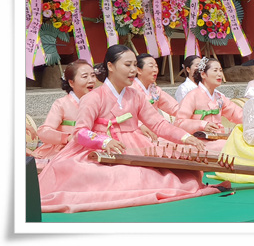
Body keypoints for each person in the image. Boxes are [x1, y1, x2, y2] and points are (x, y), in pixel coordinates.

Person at [38, 44, 223, 213]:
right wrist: (105, 141)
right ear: (110, 66)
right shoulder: (94, 97)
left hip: (134, 146)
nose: (133, 70)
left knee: (168, 175)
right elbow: (80, 132)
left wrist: (184, 137)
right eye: (128, 65)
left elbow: (157, 124)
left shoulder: (136, 96)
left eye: (135, 65)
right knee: (98, 174)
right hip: (99, 149)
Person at [32, 60, 96, 169]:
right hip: (65, 150)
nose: (91, 80)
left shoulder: (98, 102)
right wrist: (67, 138)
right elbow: (44, 131)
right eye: (85, 77)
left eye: (93, 76)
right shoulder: (61, 104)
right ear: (71, 82)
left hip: (92, 149)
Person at [174, 57, 243, 153]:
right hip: (197, 141)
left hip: (217, 138)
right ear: (203, 74)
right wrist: (202, 124)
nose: (219, 74)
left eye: (220, 70)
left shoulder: (219, 97)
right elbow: (179, 122)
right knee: (230, 147)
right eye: (215, 70)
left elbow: (237, 113)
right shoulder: (192, 95)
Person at [131, 53, 179, 142]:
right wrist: (140, 125)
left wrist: (191, 113)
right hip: (137, 131)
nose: (155, 70)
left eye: (156, 66)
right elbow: (124, 114)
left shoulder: (155, 90)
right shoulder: (130, 90)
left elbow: (174, 107)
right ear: (139, 70)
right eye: (151, 66)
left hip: (155, 128)